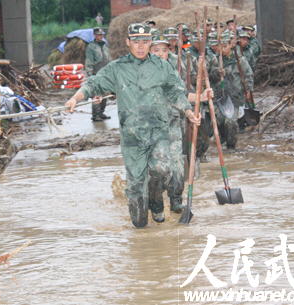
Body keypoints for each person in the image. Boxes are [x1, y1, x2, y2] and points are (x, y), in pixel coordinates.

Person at [65, 23, 201, 228]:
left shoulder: (162, 66)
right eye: (136, 42)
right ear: (128, 43)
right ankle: (140, 227)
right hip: (133, 136)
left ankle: (156, 204)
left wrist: (188, 111)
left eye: (145, 42)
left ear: (150, 43)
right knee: (137, 188)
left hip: (158, 131)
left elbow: (175, 91)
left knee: (162, 171)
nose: (140, 46)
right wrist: (75, 98)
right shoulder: (117, 68)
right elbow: (94, 83)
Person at [149, 33, 212, 213]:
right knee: (158, 168)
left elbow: (181, 95)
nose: (160, 54)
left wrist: (201, 97)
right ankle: (153, 200)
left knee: (177, 165)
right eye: (156, 50)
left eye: (164, 50)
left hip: (173, 125)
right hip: (151, 127)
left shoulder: (170, 72)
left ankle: (176, 200)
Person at [206, 30, 253, 149]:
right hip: (219, 97)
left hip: (235, 97)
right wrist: (216, 73)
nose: (222, 49)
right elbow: (208, 78)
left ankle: (231, 145)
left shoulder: (239, 60)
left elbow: (248, 75)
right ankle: (222, 139)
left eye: (225, 46)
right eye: (220, 46)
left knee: (230, 122)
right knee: (219, 121)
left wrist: (248, 90)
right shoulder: (214, 60)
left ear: (230, 46)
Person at [85, 27, 111, 121]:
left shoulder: (105, 45)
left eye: (102, 34)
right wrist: (90, 73)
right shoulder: (91, 46)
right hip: (96, 72)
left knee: (104, 94)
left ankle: (101, 112)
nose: (100, 36)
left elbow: (109, 58)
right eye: (99, 34)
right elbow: (89, 61)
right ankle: (95, 115)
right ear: (95, 35)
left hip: (106, 73)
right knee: (97, 94)